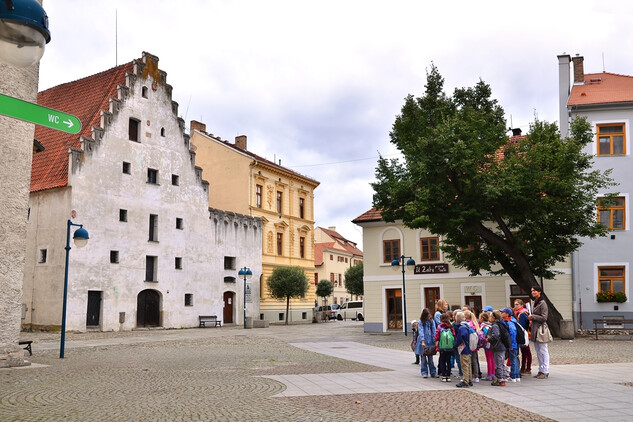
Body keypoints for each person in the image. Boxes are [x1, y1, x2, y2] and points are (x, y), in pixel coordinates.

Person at [529, 285, 550, 379]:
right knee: (538, 351)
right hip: (535, 328)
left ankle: (545, 370)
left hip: (541, 329)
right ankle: (541, 369)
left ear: (539, 292)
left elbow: (544, 317)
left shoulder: (543, 303)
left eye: (534, 291)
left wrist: (533, 317)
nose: (533, 292)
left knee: (543, 350)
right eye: (532, 291)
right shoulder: (534, 302)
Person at [488, 310, 508, 386]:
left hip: (498, 346)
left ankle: (500, 380)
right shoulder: (501, 324)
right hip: (502, 345)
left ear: (493, 318)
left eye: (490, 316)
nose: (489, 318)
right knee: (501, 363)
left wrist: (489, 339)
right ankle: (502, 378)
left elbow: (496, 336)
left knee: (498, 363)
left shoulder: (495, 325)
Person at [415, 308, 437, 378]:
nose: (429, 317)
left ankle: (433, 372)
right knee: (423, 358)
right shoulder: (421, 322)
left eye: (430, 315)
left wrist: (435, 340)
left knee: (430, 358)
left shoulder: (431, 321)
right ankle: (424, 372)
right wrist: (423, 341)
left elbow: (434, 331)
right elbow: (421, 331)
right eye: (428, 316)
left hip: (430, 341)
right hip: (423, 342)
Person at [500, 307, 520, 382]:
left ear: (507, 314)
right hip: (514, 343)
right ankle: (517, 375)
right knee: (515, 359)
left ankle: (513, 376)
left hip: (513, 344)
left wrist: (511, 345)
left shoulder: (510, 322)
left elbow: (513, 333)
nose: (501, 314)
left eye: (503, 312)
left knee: (513, 360)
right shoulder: (512, 321)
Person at [434, 312, 455, 382]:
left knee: (442, 361)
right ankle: (448, 376)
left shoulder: (440, 326)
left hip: (442, 347)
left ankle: (443, 376)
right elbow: (454, 336)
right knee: (448, 361)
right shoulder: (451, 326)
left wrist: (436, 344)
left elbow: (437, 336)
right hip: (450, 347)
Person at [454, 311, 472, 388]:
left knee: (464, 365)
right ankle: (469, 379)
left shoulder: (462, 328)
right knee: (468, 364)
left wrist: (455, 345)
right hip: (468, 348)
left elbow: (460, 338)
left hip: (463, 348)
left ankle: (465, 381)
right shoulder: (468, 326)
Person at [514, 299, 532, 375]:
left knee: (526, 352)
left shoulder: (522, 314)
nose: (515, 306)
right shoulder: (517, 313)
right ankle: (523, 367)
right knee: (523, 352)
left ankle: (527, 368)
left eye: (517, 304)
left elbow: (521, 325)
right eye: (515, 304)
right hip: (521, 334)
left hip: (523, 334)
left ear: (522, 305)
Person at [464, 310, 482, 382]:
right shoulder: (475, 323)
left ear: (466, 316)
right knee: (475, 360)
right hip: (475, 344)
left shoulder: (467, 324)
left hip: (468, 344)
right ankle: (476, 375)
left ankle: (470, 375)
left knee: (468, 360)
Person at [479, 311, 495, 380]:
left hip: (488, 344)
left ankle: (490, 374)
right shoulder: (490, 325)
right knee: (492, 359)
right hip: (492, 344)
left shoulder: (484, 326)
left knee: (489, 359)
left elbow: (486, 336)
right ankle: (493, 373)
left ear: (482, 318)